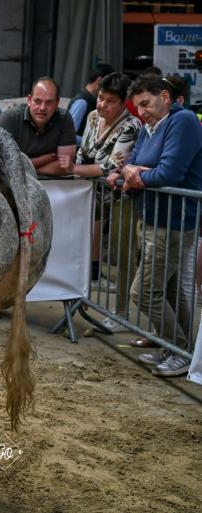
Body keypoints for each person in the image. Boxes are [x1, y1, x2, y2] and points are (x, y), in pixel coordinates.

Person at [111, 74, 202, 377]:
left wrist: (136, 175)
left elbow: (169, 173)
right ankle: (177, 348)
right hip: (151, 218)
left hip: (174, 222)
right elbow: (132, 162)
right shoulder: (152, 126)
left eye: (146, 104)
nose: (141, 112)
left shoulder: (183, 121)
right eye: (137, 107)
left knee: (145, 292)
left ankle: (178, 348)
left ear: (165, 96)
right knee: (171, 290)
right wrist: (133, 171)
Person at [69, 72, 141, 329]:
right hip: (92, 193)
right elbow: (85, 152)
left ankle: (121, 313)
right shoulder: (91, 116)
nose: (102, 105)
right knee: (84, 245)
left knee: (122, 253)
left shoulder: (131, 126)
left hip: (122, 196)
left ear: (123, 103)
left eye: (110, 101)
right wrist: (83, 166)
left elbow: (111, 164)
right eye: (100, 98)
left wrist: (76, 170)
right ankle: (81, 297)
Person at [0, 77, 76, 176]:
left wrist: (27, 170)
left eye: (49, 102)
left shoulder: (64, 118)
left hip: (55, 187)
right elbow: (2, 164)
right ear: (29, 100)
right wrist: (47, 158)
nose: (42, 108)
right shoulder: (9, 118)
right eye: (37, 101)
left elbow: (65, 167)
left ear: (57, 103)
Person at [67, 63, 116, 144]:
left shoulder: (91, 100)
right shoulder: (82, 102)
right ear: (99, 80)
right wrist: (91, 142)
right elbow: (68, 136)